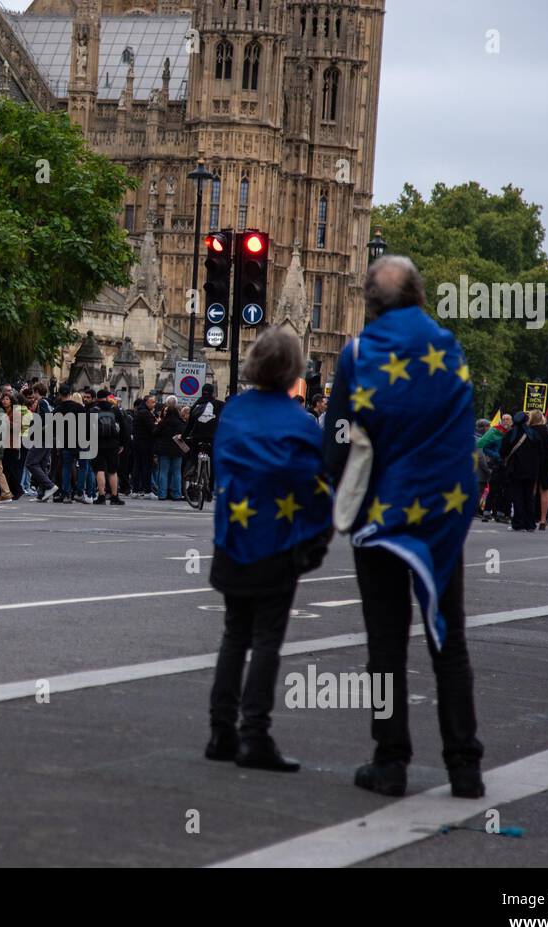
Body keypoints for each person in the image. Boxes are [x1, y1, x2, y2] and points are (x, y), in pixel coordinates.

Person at [324, 255, 483, 799]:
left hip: (381, 516)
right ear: (419, 295)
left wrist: (339, 500)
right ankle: (465, 766)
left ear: (370, 301)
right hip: (441, 511)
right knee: (450, 639)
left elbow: (339, 439)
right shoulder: (449, 347)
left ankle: (391, 761)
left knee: (386, 646)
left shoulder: (359, 352)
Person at [207, 327, 332, 771]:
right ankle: (254, 735)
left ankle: (221, 731)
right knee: (265, 641)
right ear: (294, 370)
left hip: (232, 540)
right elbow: (315, 489)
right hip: (276, 545)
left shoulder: (235, 411)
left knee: (233, 634)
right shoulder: (300, 422)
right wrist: (317, 540)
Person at [499, 410, 543, 531]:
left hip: (515, 469)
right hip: (532, 470)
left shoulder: (511, 434)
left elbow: (502, 451)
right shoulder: (533, 434)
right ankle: (530, 523)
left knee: (517, 496)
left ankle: (518, 523)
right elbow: (541, 451)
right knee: (529, 496)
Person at [184, 383, 224, 502]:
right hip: (213, 438)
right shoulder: (219, 405)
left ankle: (193, 467)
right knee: (212, 463)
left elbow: (190, 425)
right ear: (212, 393)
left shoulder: (196, 405)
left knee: (193, 454)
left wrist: (183, 436)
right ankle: (210, 490)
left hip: (198, 437)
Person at [90, 389, 127, 505]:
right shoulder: (114, 409)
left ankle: (101, 496)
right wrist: (122, 443)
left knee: (99, 470)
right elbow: (124, 427)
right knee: (113, 471)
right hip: (113, 444)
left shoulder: (93, 410)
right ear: (107, 398)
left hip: (97, 444)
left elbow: (86, 428)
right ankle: (114, 496)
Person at [153, 395, 185, 501]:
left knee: (163, 472)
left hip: (164, 450)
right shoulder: (181, 423)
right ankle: (177, 494)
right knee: (177, 472)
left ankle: (162, 494)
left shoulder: (163, 422)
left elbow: (155, 433)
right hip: (177, 450)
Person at [131, 394, 156, 498]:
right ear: (146, 402)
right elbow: (152, 429)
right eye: (152, 402)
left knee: (137, 466)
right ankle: (147, 491)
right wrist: (158, 425)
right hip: (145, 443)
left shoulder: (139, 412)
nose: (154, 404)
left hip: (138, 442)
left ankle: (136, 490)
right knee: (146, 467)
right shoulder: (145, 413)